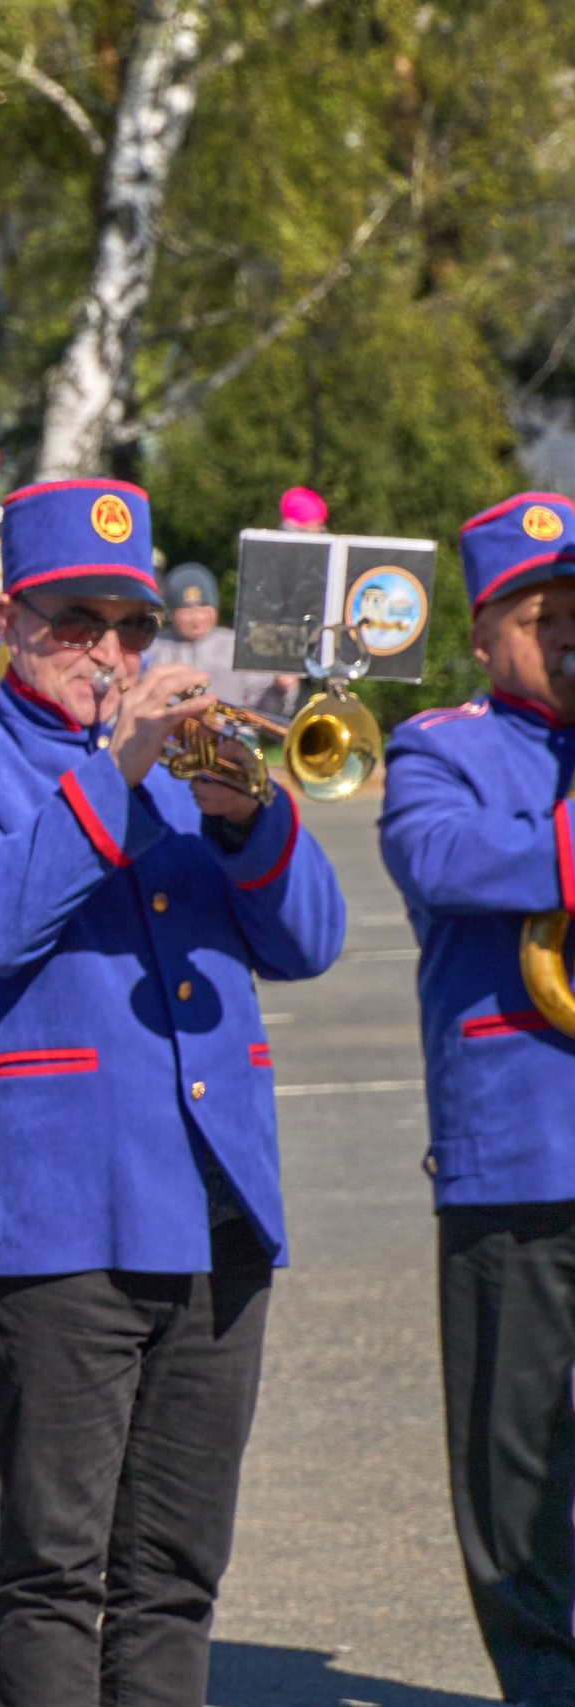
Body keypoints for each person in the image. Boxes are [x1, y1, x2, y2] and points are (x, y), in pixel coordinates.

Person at [0, 476, 345, 1707]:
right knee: (50, 1577)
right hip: (54, 1222)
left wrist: (248, 816)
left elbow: (310, 942)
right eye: (75, 621)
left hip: (215, 1210)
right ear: (5, 621)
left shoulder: (205, 764)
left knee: (176, 1578)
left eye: (132, 625)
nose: (109, 650)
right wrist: (119, 767)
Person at [377, 490, 575, 1707]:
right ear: (482, 632)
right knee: (511, 1466)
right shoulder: (438, 748)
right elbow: (441, 858)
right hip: (517, 1146)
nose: (569, 636)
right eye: (546, 614)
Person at [144, 562, 296, 715]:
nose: (197, 617)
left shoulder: (238, 645)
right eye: (186, 609)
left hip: (231, 736)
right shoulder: (154, 648)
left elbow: (265, 709)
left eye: (204, 607)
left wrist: (280, 690)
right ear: (171, 612)